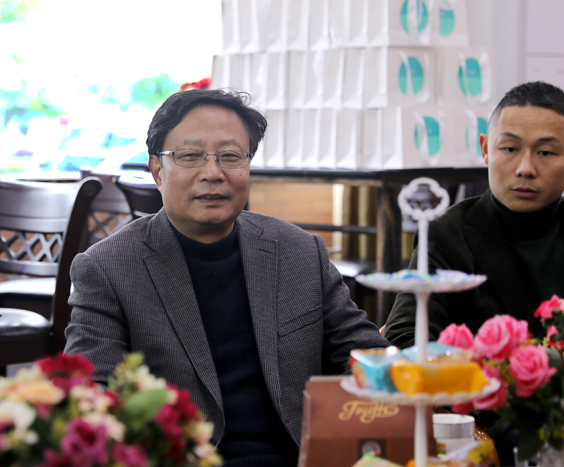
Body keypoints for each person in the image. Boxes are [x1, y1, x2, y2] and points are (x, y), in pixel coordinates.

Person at [64, 89, 389, 467]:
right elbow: (90, 396)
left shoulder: (299, 251)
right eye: (190, 156)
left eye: (231, 156)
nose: (213, 173)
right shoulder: (107, 268)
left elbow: (366, 355)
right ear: (157, 170)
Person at [383, 81, 564, 465]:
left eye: (545, 152)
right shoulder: (448, 234)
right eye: (509, 149)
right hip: (498, 436)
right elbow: (405, 338)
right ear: (485, 148)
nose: (526, 168)